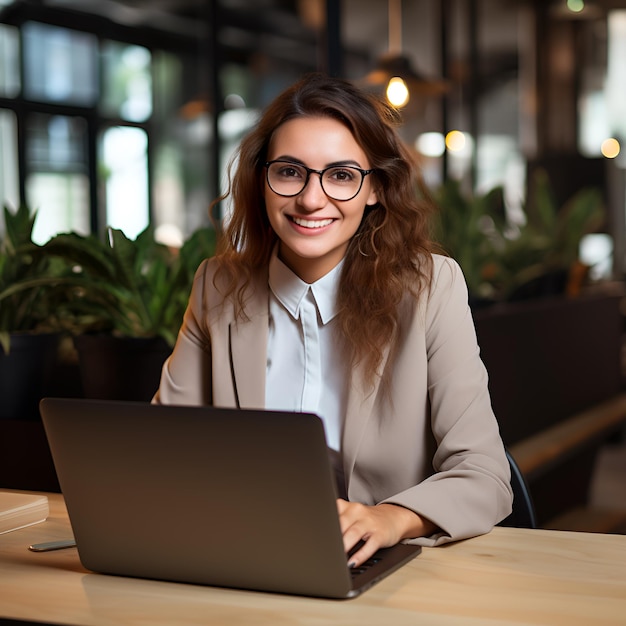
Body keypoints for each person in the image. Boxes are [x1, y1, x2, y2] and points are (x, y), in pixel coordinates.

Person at [154, 73, 513, 568]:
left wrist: (391, 517)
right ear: (262, 181)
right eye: (289, 172)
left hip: (388, 573)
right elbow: (162, 452)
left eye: (341, 175)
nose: (310, 199)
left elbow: (484, 475)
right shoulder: (218, 286)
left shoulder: (431, 287)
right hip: (244, 560)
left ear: (375, 190)